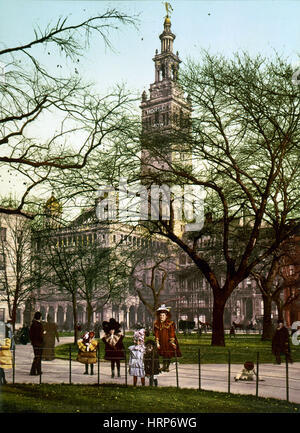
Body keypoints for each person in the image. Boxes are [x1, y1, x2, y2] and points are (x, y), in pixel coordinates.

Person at [154, 304, 182, 372]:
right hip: (161, 341)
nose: (161, 317)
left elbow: (172, 333)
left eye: (163, 315)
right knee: (163, 354)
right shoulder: (157, 324)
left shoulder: (170, 323)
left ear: (166, 316)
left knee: (168, 354)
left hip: (168, 340)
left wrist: (172, 341)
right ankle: (163, 366)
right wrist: (157, 342)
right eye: (160, 315)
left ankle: (167, 366)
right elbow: (156, 334)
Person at [29, 311, 45, 376]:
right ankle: (33, 371)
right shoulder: (39, 325)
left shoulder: (33, 324)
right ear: (40, 317)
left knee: (37, 356)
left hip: (34, 342)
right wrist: (43, 334)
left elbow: (30, 334)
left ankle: (38, 370)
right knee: (38, 357)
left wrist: (32, 340)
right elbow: (40, 335)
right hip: (39, 343)